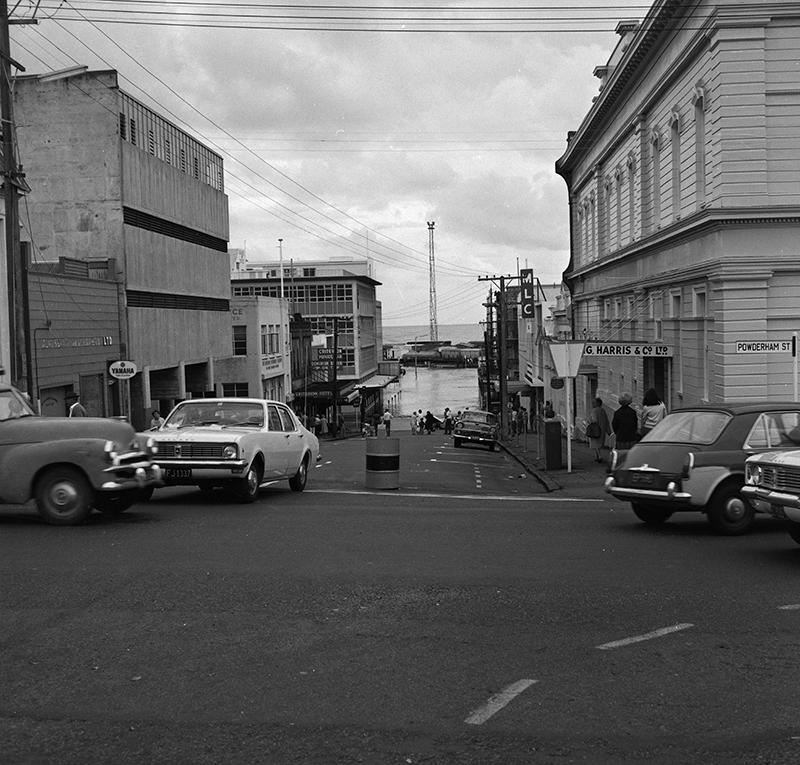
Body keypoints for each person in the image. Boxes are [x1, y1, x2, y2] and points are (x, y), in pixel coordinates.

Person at [587, 397, 611, 463]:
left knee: (595, 443)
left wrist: (589, 421)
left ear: (598, 403)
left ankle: (599, 456)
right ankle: (597, 456)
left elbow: (594, 420)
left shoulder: (594, 411)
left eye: (594, 403)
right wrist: (608, 430)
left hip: (595, 429)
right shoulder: (603, 410)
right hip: (602, 429)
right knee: (599, 443)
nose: (592, 404)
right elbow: (606, 421)